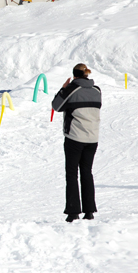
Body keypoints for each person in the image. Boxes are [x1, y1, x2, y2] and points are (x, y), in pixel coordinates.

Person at [51, 64, 102, 223]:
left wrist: (63, 88)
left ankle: (73, 212)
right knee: (87, 172)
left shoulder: (72, 89)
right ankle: (89, 211)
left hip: (74, 137)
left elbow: (56, 106)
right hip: (92, 138)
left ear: (74, 76)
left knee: (72, 173)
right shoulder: (97, 90)